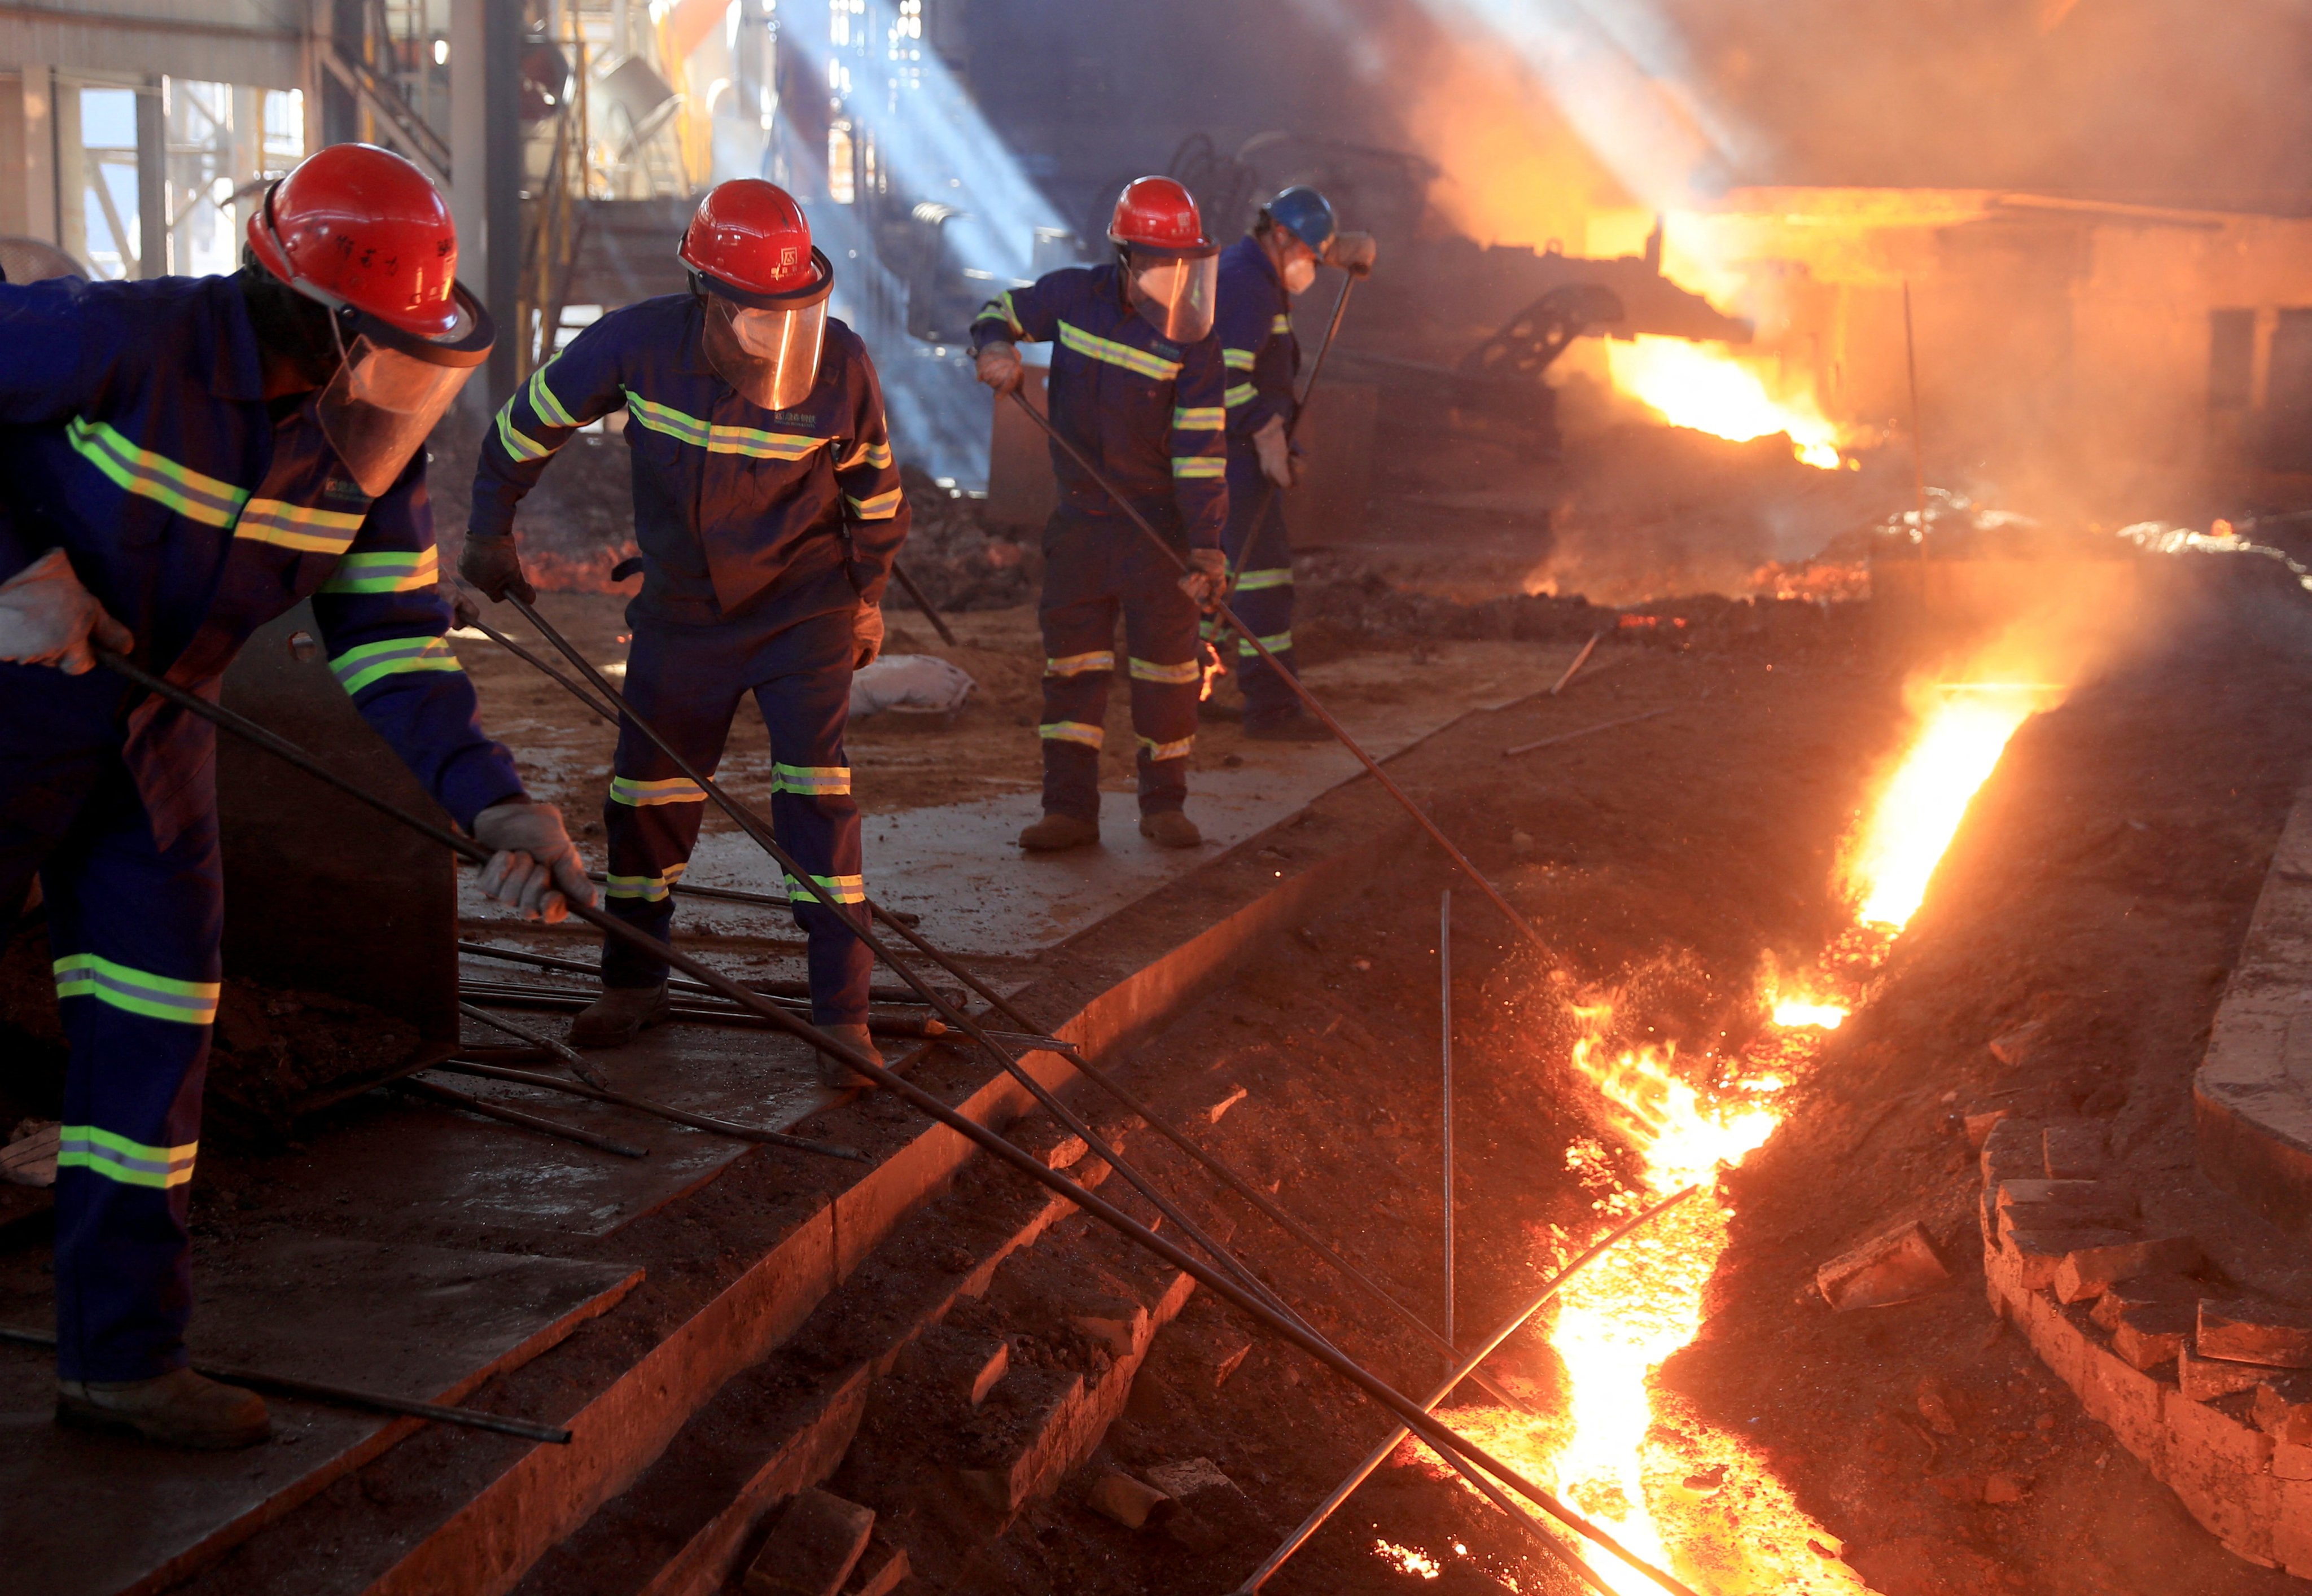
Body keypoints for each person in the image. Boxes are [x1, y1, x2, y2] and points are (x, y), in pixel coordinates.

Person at [0, 143, 594, 1449]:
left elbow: (390, 643)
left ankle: (120, 1362)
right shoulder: (117, 338)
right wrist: (21, 565)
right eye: (374, 337)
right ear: (310, 306)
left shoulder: (358, 456)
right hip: (10, 714)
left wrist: (490, 804)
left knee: (154, 1037)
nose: (389, 369)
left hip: (149, 745)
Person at [463, 179, 907, 1079]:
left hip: (805, 609)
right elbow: (526, 424)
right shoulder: (636, 345)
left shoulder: (841, 365)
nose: (778, 338)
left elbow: (878, 497)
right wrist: (489, 529)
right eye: (756, 318)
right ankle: (636, 981)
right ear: (708, 294)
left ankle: (841, 1015)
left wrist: (868, 595)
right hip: (682, 614)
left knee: (816, 801)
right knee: (648, 800)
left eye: (793, 315)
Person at [971, 176, 1229, 853]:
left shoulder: (1196, 341)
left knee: (1167, 674)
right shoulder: (1071, 297)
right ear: (1125, 257)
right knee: (1073, 672)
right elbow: (998, 308)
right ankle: (1070, 811)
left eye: (1184, 265)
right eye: (1160, 264)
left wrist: (1205, 546)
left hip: (1159, 535)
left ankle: (1164, 806)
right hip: (1082, 525)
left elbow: (1202, 451)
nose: (1174, 279)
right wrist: (996, 348)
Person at [1206, 185, 1374, 739]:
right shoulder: (1245, 286)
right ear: (1279, 236)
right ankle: (1272, 711)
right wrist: (1265, 434)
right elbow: (1224, 381)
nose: (1311, 267)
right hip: (1226, 457)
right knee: (1262, 582)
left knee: (1215, 579)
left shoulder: (1256, 275)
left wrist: (1282, 441)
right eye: (1309, 254)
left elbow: (1265, 379)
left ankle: (1187, 690)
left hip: (1230, 453)